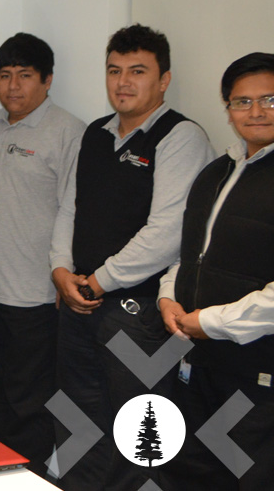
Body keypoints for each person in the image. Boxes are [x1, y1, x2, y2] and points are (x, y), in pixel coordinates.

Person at [48, 24, 213, 491]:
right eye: (114, 70)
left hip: (139, 316)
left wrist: (97, 281)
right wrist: (60, 271)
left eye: (137, 71)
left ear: (164, 80)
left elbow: (167, 233)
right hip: (79, 305)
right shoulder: (96, 134)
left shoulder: (180, 136)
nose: (123, 82)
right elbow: (69, 208)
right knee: (75, 419)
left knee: (140, 431)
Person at [158, 52, 274, 491]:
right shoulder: (216, 172)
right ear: (228, 109)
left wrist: (211, 322)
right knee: (190, 473)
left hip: (256, 374)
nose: (256, 111)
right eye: (242, 102)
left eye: (270, 99)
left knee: (248, 476)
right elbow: (190, 255)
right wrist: (167, 296)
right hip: (198, 363)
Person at [0, 33, 84, 476]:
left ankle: (30, 477)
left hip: (36, 294)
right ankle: (1, 472)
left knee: (30, 401)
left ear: (47, 80)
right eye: (4, 75)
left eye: (25, 75)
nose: (13, 86)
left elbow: (73, 209)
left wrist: (63, 271)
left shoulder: (68, 131)